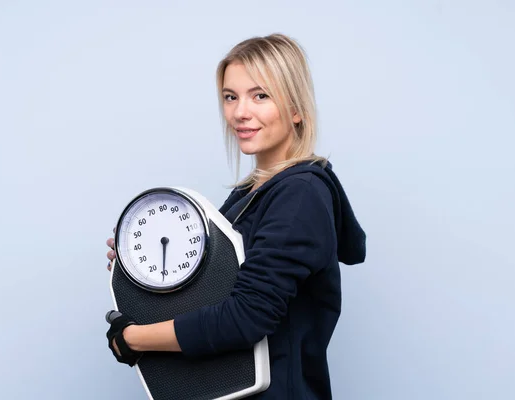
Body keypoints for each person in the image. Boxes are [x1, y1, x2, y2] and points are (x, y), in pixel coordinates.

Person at [104, 33, 366, 399]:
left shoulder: (300, 194)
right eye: (230, 97)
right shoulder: (248, 196)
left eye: (260, 95)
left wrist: (132, 338)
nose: (240, 112)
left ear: (295, 108)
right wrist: (143, 270)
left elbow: (245, 317)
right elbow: (215, 296)